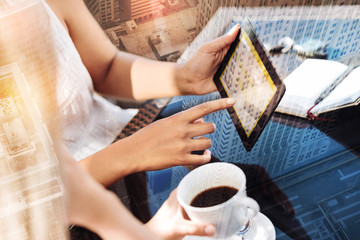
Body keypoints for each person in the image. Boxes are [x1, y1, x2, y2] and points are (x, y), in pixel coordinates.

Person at [2, 0, 240, 238]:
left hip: (130, 151)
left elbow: (106, 66)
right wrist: (134, 151)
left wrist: (185, 77)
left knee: (245, 184)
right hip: (67, 217)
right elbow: (22, 204)